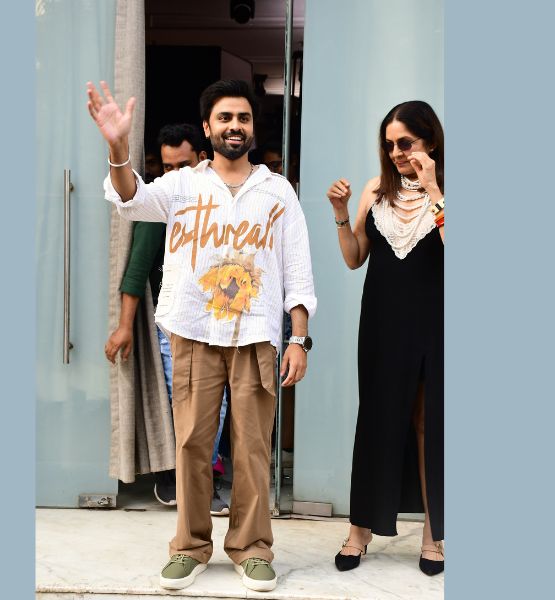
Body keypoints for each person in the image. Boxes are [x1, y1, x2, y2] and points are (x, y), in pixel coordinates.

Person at [87, 78, 317, 592]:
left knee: (252, 447)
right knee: (192, 443)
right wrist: (118, 147)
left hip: (255, 334)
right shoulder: (182, 185)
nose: (235, 126)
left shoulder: (277, 191)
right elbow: (129, 198)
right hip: (194, 330)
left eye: (243, 118)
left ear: (253, 128)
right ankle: (190, 547)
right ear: (208, 128)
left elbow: (298, 269)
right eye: (225, 118)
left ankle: (251, 548)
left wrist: (298, 337)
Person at [326, 100, 445, 576]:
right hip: (381, 321)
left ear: (430, 141)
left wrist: (433, 187)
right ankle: (360, 530)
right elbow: (355, 256)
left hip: (437, 321)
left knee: (429, 423)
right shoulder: (376, 189)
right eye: (389, 144)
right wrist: (340, 213)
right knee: (376, 418)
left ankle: (434, 535)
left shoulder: (448, 190)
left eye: (406, 143)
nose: (396, 152)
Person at [104, 123, 229, 516]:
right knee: (187, 401)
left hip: (221, 319)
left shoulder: (225, 197)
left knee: (219, 404)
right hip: (173, 322)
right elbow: (137, 268)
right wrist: (125, 326)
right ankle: (183, 478)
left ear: (203, 158)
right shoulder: (160, 200)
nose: (174, 174)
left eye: (183, 165)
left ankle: (201, 477)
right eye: (167, 166)